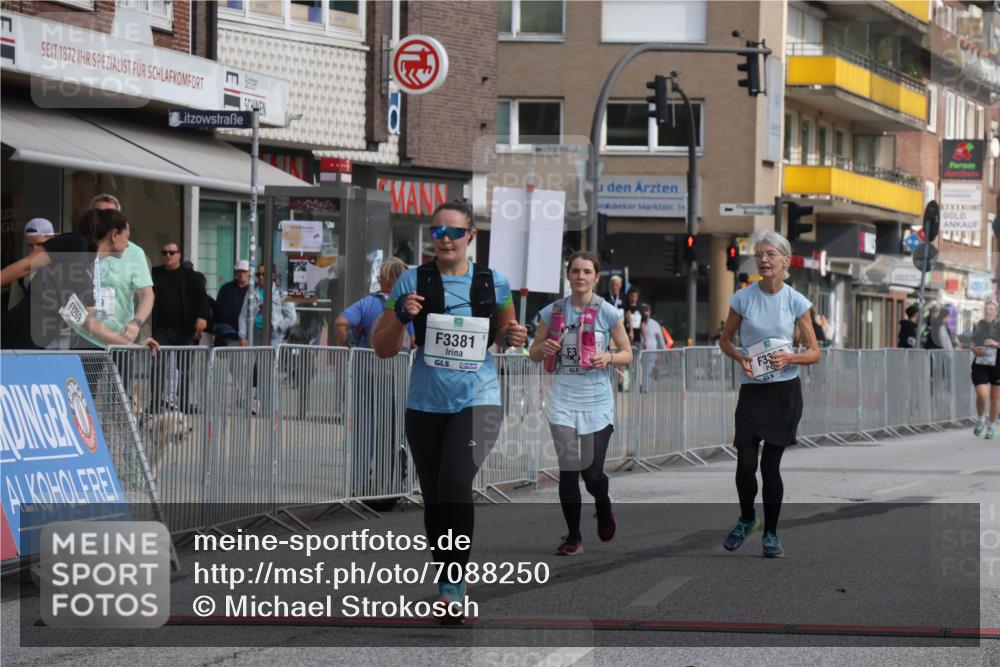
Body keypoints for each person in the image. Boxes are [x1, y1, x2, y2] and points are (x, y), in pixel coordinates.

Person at [372, 201, 527, 623]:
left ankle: (455, 587)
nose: (444, 239)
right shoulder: (412, 279)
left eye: (453, 232)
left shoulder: (494, 281)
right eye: (437, 232)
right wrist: (401, 316)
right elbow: (382, 348)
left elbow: (507, 336)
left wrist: (514, 334)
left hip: (479, 398)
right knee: (435, 495)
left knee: (455, 482)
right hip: (425, 401)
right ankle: (446, 580)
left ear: (470, 236)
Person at [718, 229, 820, 558]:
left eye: (770, 254)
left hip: (784, 393)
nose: (763, 259)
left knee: (769, 467)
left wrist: (791, 356)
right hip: (753, 391)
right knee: (746, 462)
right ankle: (748, 518)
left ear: (785, 261)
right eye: (759, 254)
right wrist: (741, 357)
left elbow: (814, 352)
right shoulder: (743, 298)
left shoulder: (796, 301)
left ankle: (772, 534)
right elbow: (725, 340)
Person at [528, 251, 632, 556]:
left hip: (597, 400)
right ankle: (573, 536)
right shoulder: (553, 312)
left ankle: (603, 502)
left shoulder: (607, 312)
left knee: (592, 473)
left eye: (587, 272)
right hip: (562, 398)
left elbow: (628, 352)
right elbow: (533, 353)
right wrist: (543, 347)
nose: (580, 277)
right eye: (575, 271)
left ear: (596, 277)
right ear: (568, 275)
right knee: (569, 468)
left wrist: (609, 357)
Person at [1, 208, 159, 353]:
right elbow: (25, 266)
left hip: (34, 347)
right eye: (127, 237)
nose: (128, 245)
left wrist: (134, 346)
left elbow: (89, 323)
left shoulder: (89, 272)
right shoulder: (77, 243)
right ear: (114, 235)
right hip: (12, 336)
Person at [334, 257, 413, 504]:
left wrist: (350, 348)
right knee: (393, 432)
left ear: (384, 278)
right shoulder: (409, 306)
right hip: (397, 377)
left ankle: (358, 486)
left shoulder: (369, 303)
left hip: (365, 374)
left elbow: (340, 323)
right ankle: (390, 485)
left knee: (364, 430)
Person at [81, 194, 155, 348]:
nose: (105, 221)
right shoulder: (80, 249)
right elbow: (79, 316)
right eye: (100, 215)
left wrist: (136, 324)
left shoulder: (133, 252)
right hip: (82, 339)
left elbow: (147, 295)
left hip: (118, 341)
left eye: (111, 215)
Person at [149, 241, 211, 411]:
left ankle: (183, 404)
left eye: (171, 252)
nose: (168, 255)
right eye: (164, 252)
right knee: (159, 367)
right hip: (161, 329)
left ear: (179, 255)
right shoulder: (154, 273)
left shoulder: (191, 276)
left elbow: (203, 298)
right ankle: (155, 403)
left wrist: (203, 316)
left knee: (184, 369)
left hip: (184, 330)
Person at [4, 218, 55, 311]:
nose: (35, 250)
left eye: (39, 244)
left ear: (52, 239)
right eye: (31, 245)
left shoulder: (68, 266)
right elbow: (14, 309)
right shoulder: (22, 273)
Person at [239, 265, 297, 346]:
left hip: (273, 335)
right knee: (255, 358)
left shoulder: (281, 293)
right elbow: (243, 315)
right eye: (258, 274)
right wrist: (242, 335)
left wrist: (279, 327)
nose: (261, 277)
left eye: (264, 274)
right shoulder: (251, 292)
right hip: (255, 333)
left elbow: (292, 317)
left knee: (270, 358)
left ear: (272, 275)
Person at [969, 300, 1000, 439]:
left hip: (997, 364)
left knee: (995, 397)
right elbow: (972, 342)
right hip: (981, 363)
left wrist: (995, 343)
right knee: (982, 394)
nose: (988, 311)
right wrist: (974, 348)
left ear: (996, 311)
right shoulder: (978, 324)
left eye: (991, 309)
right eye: (986, 308)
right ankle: (981, 418)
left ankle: (992, 425)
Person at [213, 261, 252, 347]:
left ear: (249, 273)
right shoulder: (225, 288)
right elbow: (217, 309)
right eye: (239, 271)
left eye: (244, 271)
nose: (242, 274)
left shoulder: (253, 291)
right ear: (235, 273)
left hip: (245, 334)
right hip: (226, 332)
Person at [638, 303, 667, 393]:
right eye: (643, 310)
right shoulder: (636, 322)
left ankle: (645, 389)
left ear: (649, 312)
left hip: (650, 351)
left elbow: (660, 339)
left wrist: (664, 351)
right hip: (637, 350)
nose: (645, 312)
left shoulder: (655, 324)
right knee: (636, 370)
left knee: (647, 370)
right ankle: (636, 388)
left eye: (647, 310)